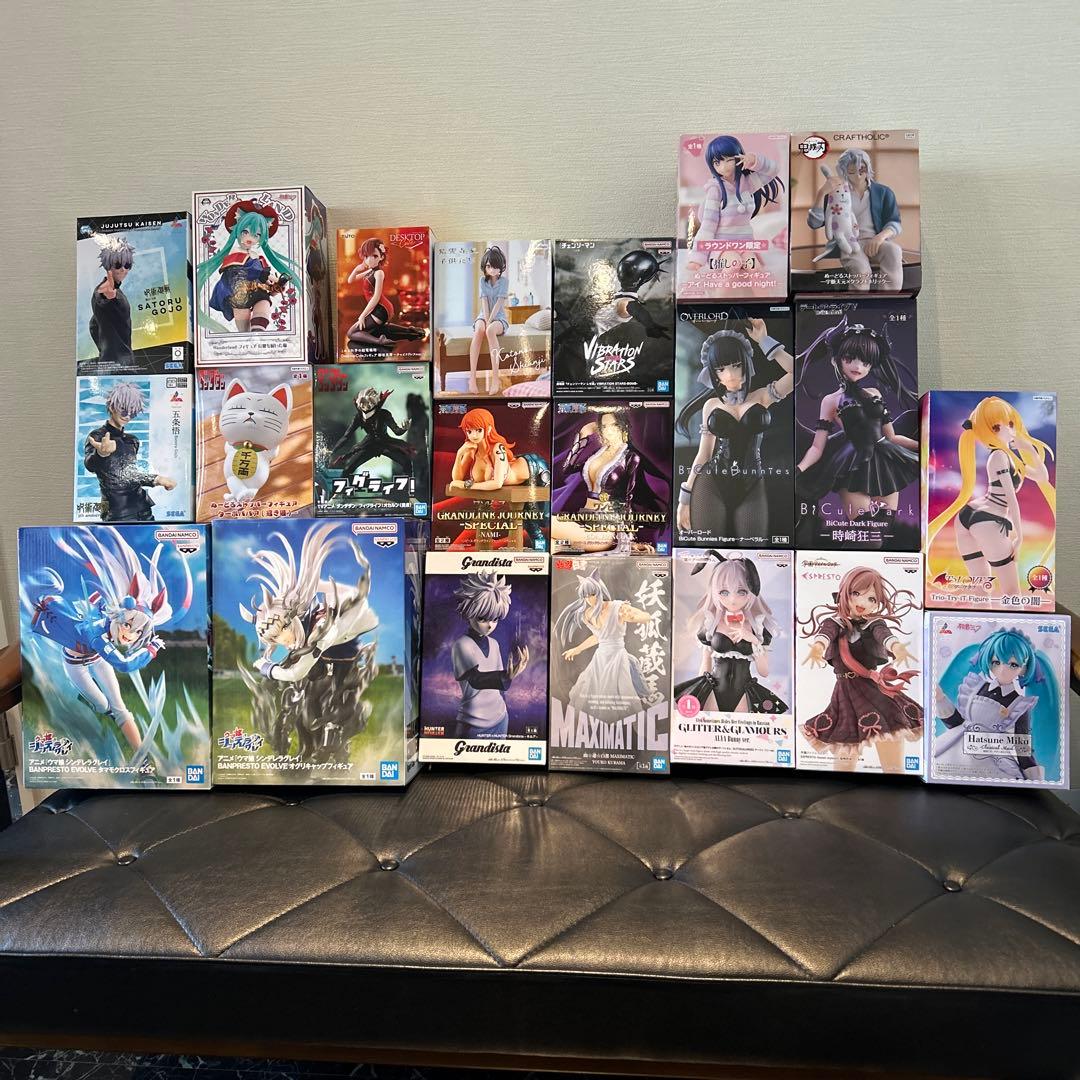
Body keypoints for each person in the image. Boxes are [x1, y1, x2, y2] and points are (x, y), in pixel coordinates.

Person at [796, 318, 918, 541]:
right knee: (867, 537)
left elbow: (891, 436)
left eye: (865, 362)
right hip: (853, 465)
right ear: (837, 360)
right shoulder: (831, 401)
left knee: (882, 534)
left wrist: (924, 447)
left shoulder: (874, 393)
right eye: (850, 358)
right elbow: (817, 447)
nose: (858, 366)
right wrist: (799, 468)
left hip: (886, 461)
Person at [676, 318, 793, 542]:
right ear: (714, 374)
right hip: (711, 482)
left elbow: (796, 373)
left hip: (752, 483)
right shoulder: (711, 405)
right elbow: (704, 454)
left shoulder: (762, 397)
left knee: (755, 548)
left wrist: (764, 341)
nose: (729, 374)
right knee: (708, 548)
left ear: (746, 363)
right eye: (721, 369)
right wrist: (685, 499)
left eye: (735, 365)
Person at [925, 397, 1055, 597]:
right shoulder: (1000, 456)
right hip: (988, 518)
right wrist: (1019, 537)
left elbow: (1041, 477)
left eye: (1010, 423)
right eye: (998, 427)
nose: (1009, 430)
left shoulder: (1007, 457)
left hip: (971, 516)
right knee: (1012, 592)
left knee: (981, 589)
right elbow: (1011, 499)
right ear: (989, 431)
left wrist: (1028, 448)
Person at [799, 565, 922, 772]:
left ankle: (896, 787)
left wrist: (897, 647)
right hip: (845, 695)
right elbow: (825, 634)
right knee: (844, 762)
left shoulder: (874, 624)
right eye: (856, 594)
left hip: (876, 691)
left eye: (871, 599)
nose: (863, 603)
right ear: (845, 592)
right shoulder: (834, 623)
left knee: (893, 763)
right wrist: (817, 648)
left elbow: (885, 636)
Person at [934, 628, 1057, 783]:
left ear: (1024, 668)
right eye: (996, 662)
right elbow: (957, 724)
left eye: (1013, 665)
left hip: (992, 762)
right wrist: (940, 699)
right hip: (956, 754)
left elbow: (1022, 746)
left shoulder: (1019, 704)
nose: (1003, 670)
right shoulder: (975, 687)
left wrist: (1035, 780)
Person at [674, 552, 788, 715]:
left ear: (752, 591)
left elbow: (764, 672)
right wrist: (697, 693)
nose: (733, 599)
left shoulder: (757, 627)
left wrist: (753, 640)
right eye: (724, 592)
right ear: (714, 592)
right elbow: (705, 666)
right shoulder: (711, 623)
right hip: (713, 690)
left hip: (743, 692)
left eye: (741, 591)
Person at [553, 569, 656, 721]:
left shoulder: (617, 607)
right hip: (600, 658)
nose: (589, 599)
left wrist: (632, 616)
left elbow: (645, 616)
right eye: (585, 596)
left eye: (592, 594)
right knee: (587, 692)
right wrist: (577, 649)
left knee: (622, 693)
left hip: (617, 657)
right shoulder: (587, 614)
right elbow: (598, 637)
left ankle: (633, 727)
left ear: (599, 591)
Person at [808, 148, 904, 291]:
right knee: (861, 270)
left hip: (875, 242)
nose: (858, 176)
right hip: (848, 242)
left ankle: (889, 298)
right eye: (852, 172)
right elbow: (814, 223)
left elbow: (894, 222)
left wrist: (880, 238)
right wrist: (821, 193)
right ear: (844, 171)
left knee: (894, 251)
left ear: (868, 168)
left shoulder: (883, 192)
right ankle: (857, 302)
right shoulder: (837, 193)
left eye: (862, 170)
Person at [447, 573, 529, 739]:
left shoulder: (494, 644)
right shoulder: (462, 645)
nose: (490, 625)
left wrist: (507, 677)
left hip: (500, 717)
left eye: (495, 619)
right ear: (468, 613)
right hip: (472, 721)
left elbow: (499, 688)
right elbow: (476, 679)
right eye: (483, 618)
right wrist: (506, 676)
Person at [84, 382, 176, 522]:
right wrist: (101, 454)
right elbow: (90, 465)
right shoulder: (97, 436)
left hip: (143, 509)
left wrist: (156, 479)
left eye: (132, 412)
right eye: (123, 409)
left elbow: (129, 474)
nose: (127, 416)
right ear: (112, 406)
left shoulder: (132, 440)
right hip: (117, 513)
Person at [345, 237, 426, 355]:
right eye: (367, 256)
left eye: (374, 256)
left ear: (381, 257)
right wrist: (357, 269)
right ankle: (410, 331)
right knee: (379, 329)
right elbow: (350, 280)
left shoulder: (379, 273)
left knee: (351, 333)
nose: (370, 260)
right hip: (381, 307)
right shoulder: (370, 271)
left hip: (381, 309)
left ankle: (380, 341)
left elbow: (376, 297)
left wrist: (362, 316)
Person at [468, 245, 510, 394]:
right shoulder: (482, 281)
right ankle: (472, 378)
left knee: (490, 330)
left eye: (495, 266)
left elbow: (499, 304)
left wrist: (490, 322)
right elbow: (484, 302)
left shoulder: (504, 282)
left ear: (501, 267)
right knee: (480, 329)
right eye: (488, 266)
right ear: (485, 267)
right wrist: (486, 320)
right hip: (483, 315)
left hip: (499, 318)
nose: (491, 269)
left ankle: (495, 378)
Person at [88, 238, 135, 366]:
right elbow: (104, 299)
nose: (123, 269)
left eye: (127, 265)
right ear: (108, 266)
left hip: (114, 362)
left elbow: (93, 325)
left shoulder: (116, 291)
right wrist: (109, 298)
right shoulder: (104, 290)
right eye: (118, 265)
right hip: (118, 365)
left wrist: (103, 350)